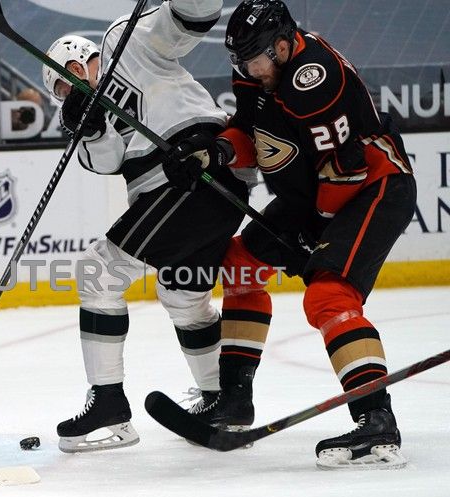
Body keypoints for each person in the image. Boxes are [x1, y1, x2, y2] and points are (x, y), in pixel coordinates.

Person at [177, 0, 416, 468]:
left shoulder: (314, 79)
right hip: (315, 197)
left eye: (256, 59)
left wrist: (315, 230)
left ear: (283, 45)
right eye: (242, 60)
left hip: (374, 187)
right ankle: (234, 400)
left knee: (328, 294)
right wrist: (216, 152)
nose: (249, 69)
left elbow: (345, 170)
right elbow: (253, 136)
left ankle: (376, 421)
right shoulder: (257, 72)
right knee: (239, 264)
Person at [43, 0, 255, 453]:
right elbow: (106, 160)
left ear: (85, 59)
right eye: (62, 88)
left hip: (196, 168)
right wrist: (91, 127)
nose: (72, 85)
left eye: (73, 73)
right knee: (182, 294)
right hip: (191, 192)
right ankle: (223, 403)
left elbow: (188, 20)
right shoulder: (83, 116)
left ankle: (108, 402)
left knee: (98, 272)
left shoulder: (125, 42)